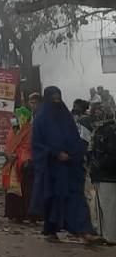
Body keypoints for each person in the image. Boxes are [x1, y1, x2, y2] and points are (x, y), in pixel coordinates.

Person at [31, 86, 98, 243]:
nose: (56, 101)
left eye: (58, 97)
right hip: (51, 169)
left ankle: (84, 230)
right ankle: (50, 229)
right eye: (53, 98)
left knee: (76, 197)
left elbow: (75, 139)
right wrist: (55, 153)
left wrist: (75, 154)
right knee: (52, 199)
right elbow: (37, 145)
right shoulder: (41, 119)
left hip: (69, 167)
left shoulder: (66, 117)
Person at [88, 104, 116, 243]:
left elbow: (111, 154)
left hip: (107, 175)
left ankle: (109, 236)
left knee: (108, 207)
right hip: (104, 175)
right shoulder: (103, 130)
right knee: (105, 207)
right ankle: (106, 234)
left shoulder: (107, 131)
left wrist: (98, 166)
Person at [3, 107, 35, 223]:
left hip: (25, 163)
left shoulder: (30, 129)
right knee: (13, 189)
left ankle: (26, 215)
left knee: (26, 190)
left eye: (17, 116)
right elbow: (8, 143)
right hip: (12, 162)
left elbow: (29, 147)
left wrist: (16, 155)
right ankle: (14, 214)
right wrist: (8, 154)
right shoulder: (14, 128)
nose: (15, 118)